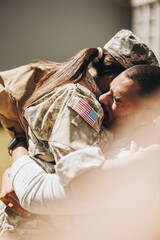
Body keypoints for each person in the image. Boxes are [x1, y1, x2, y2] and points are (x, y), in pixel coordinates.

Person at [0, 30, 159, 238]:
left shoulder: (89, 98)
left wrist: (16, 158)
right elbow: (81, 179)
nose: (106, 99)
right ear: (118, 75)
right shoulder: (81, 102)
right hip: (36, 227)